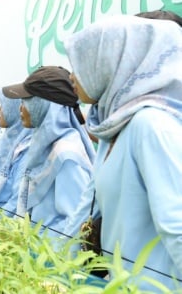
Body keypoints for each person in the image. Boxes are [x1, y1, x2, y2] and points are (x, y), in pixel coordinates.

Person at [65, 15, 182, 290]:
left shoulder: (150, 125)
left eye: (82, 62)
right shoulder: (112, 128)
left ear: (112, 63)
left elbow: (176, 224)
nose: (72, 75)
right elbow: (86, 207)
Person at [2, 66, 95, 240]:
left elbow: (75, 226)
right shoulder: (45, 146)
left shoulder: (66, 155)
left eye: (27, 100)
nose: (21, 108)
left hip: (51, 261)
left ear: (45, 103)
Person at [0, 94, 32, 215]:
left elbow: (18, 200)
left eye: (4, 105)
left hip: (1, 227)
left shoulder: (26, 148)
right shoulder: (5, 141)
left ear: (16, 109)